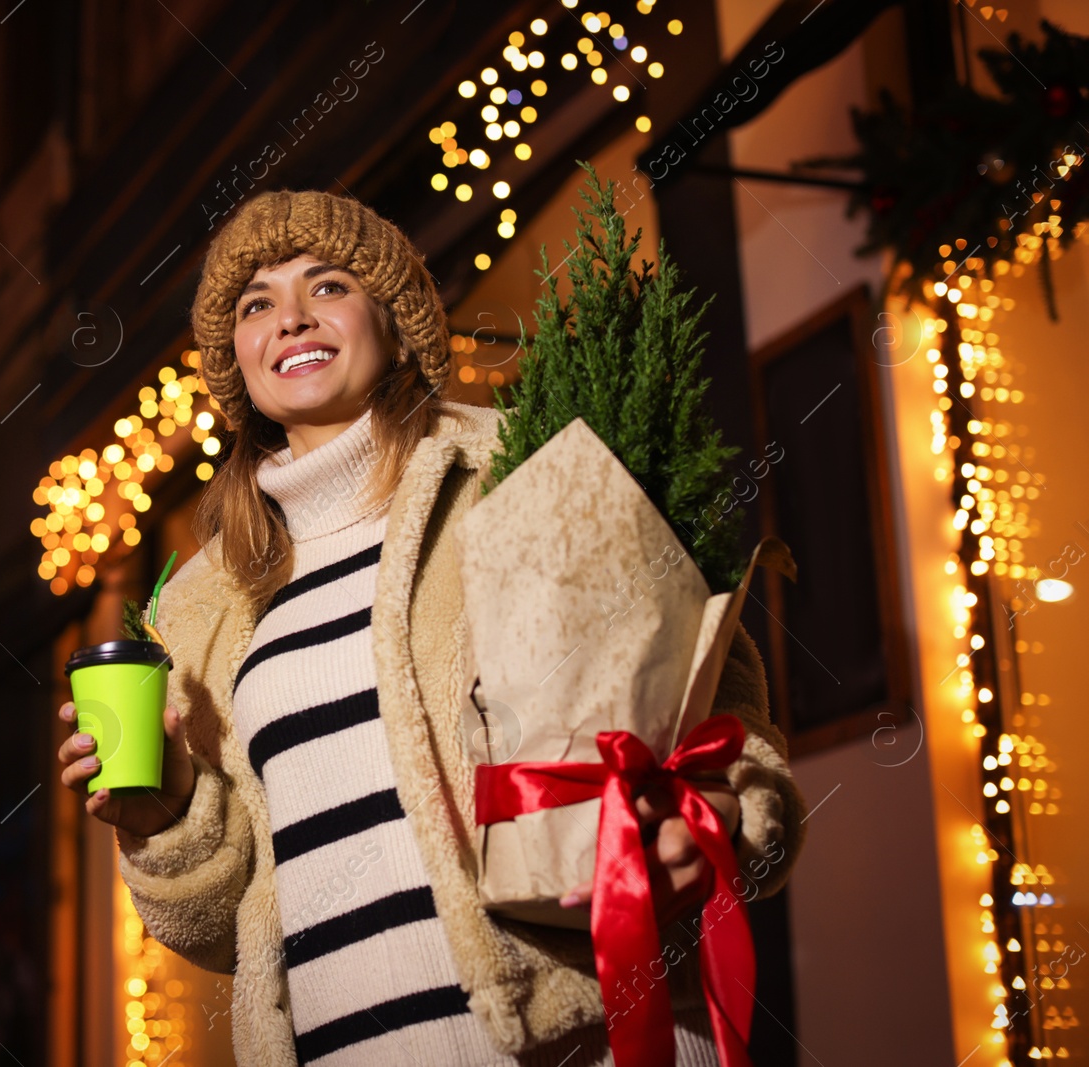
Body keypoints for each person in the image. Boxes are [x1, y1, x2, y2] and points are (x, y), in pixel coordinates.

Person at [58, 189, 804, 1065]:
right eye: (256, 303)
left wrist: (723, 812)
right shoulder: (204, 605)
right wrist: (169, 813)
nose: (291, 318)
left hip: (583, 1040)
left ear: (397, 319)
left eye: (328, 286)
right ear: (237, 359)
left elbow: (723, 710)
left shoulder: (527, 467)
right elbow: (228, 924)